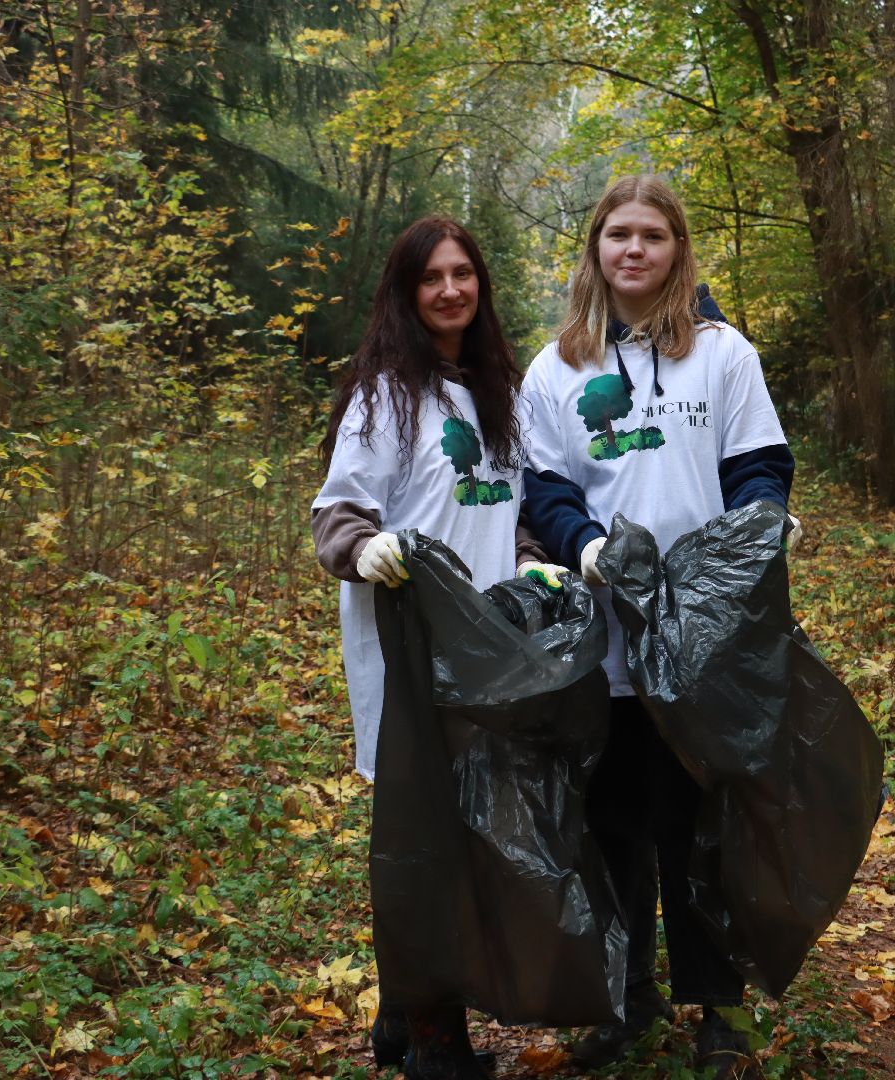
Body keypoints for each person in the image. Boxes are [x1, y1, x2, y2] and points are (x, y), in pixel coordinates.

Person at [520, 176, 798, 1080]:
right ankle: (625, 999)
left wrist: (764, 523)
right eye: (617, 235)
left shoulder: (720, 356)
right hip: (602, 638)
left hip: (703, 638)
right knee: (611, 828)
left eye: (651, 235)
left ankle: (717, 1011)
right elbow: (546, 488)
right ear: (595, 249)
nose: (633, 250)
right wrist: (586, 546)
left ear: (677, 249)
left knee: (699, 825)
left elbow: (758, 464)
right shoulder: (557, 367)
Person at [311, 215, 566, 1080]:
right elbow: (336, 513)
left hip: (485, 647)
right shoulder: (385, 392)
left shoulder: (493, 387)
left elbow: (516, 509)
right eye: (432, 277)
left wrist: (534, 568)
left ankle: (398, 1012)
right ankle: (434, 1044)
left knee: (466, 834)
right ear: (405, 291)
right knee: (424, 844)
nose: (451, 289)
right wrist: (365, 550)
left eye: (464, 274)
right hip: (412, 647)